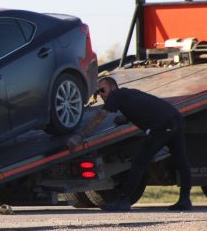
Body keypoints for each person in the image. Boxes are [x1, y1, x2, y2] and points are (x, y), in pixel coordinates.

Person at [67, 76, 192, 211]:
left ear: (113, 87)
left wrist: (80, 136)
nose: (101, 95)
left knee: (139, 163)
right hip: (176, 119)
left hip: (162, 126)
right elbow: (143, 107)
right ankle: (185, 200)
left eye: (102, 90)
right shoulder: (127, 94)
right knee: (181, 161)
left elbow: (100, 117)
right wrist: (125, 118)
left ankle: (123, 200)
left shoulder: (115, 95)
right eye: (98, 92)